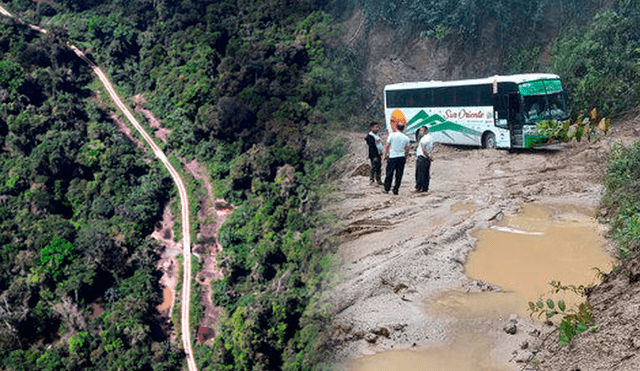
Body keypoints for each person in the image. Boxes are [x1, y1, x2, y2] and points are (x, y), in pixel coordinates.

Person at [383, 121, 411, 195]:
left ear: (396, 127)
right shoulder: (406, 138)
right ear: (403, 128)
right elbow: (407, 149)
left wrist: (385, 154)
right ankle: (396, 189)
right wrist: (406, 155)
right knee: (399, 174)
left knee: (389, 173)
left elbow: (387, 146)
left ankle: (387, 188)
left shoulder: (392, 135)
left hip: (392, 156)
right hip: (401, 156)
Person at [415, 126, 435, 193]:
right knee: (426, 173)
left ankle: (419, 187)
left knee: (420, 173)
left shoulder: (424, 139)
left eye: (421, 130)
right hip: (427, 157)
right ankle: (425, 187)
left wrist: (428, 156)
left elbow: (424, 149)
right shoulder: (430, 137)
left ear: (425, 131)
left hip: (422, 157)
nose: (420, 132)